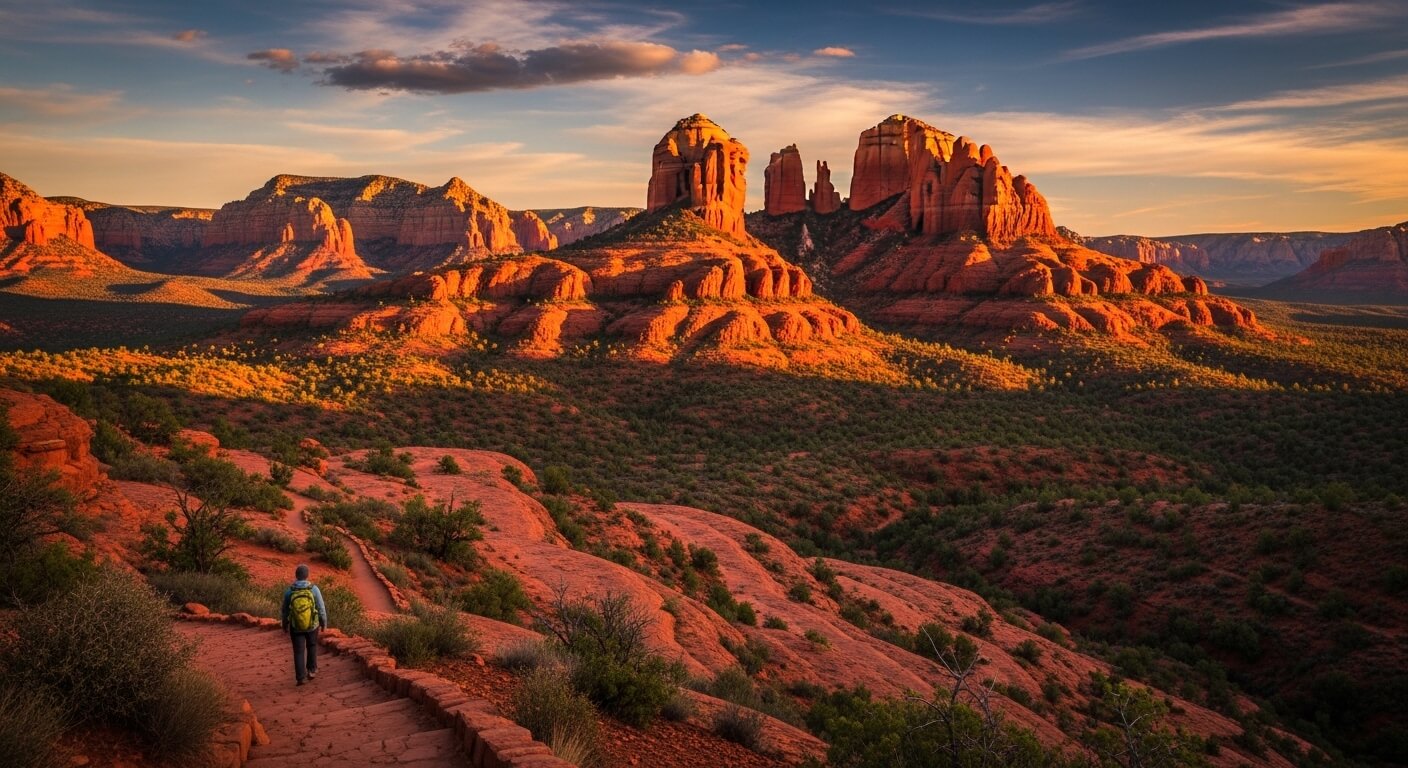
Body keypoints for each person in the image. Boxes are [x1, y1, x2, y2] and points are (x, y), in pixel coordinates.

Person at [280, 563, 328, 686]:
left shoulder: (290, 591)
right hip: (312, 624)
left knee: (298, 651)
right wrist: (323, 623)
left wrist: (285, 624)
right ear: (307, 576)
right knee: (312, 646)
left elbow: (285, 610)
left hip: (296, 626)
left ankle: (300, 677)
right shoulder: (314, 589)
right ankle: (312, 670)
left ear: (296, 576)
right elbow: (321, 608)